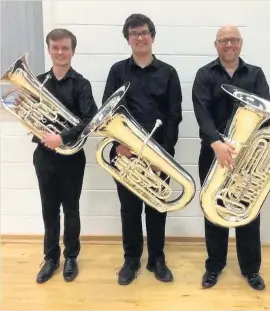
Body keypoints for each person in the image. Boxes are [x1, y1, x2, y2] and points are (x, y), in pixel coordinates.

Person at [102, 13, 183, 286]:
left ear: (152, 36)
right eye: (134, 33)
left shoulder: (168, 73)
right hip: (124, 154)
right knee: (129, 209)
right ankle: (132, 259)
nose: (140, 37)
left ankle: (157, 259)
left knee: (157, 207)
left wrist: (164, 154)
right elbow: (107, 113)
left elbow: (174, 116)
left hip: (158, 154)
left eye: (144, 32)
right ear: (128, 39)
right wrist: (117, 144)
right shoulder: (117, 71)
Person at [192, 25, 270, 290]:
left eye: (233, 40)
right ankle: (214, 266)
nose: (229, 44)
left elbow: (265, 112)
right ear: (216, 44)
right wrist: (216, 141)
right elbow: (201, 112)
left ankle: (251, 269)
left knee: (248, 210)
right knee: (213, 209)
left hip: (247, 156)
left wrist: (247, 148)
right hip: (213, 152)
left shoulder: (256, 74)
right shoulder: (204, 74)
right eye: (224, 40)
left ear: (240, 43)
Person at [31, 28, 98, 283]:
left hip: (71, 156)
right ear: (49, 50)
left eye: (65, 48)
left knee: (71, 210)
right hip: (44, 155)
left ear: (73, 51)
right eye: (55, 48)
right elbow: (31, 117)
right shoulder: (38, 82)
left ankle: (71, 257)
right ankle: (50, 259)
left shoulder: (81, 84)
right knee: (49, 209)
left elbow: (90, 119)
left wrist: (62, 137)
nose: (60, 52)